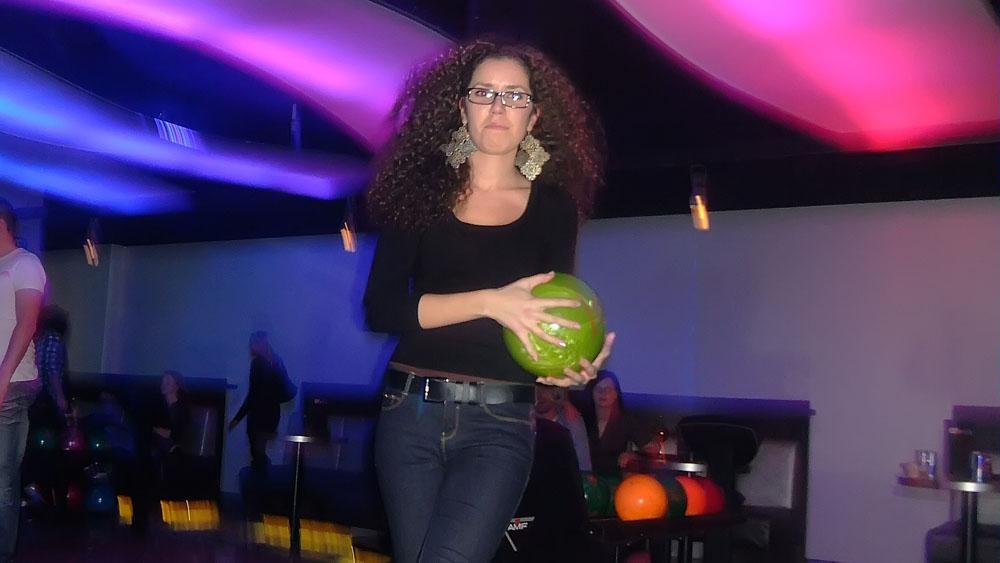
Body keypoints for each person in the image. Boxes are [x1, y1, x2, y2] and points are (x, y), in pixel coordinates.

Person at [363, 39, 615, 562]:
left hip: (498, 427)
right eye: (484, 93)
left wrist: (567, 366)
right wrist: (490, 301)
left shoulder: (554, 209)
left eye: (515, 95)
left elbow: (548, 317)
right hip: (408, 414)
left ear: (534, 117)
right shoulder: (418, 195)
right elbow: (381, 309)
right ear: (462, 109)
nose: (499, 106)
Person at [0, 198, 46, 563]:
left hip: (12, 385)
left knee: (2, 481)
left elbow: (27, 324)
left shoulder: (24, 263)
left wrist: (2, 379)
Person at [228, 331, 290, 470]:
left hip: (258, 417)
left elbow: (253, 396)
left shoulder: (257, 364)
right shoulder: (275, 361)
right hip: (272, 415)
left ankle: (262, 477)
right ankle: (264, 476)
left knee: (257, 454)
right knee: (260, 453)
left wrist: (236, 419)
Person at [584, 371, 656, 475]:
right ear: (591, 392)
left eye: (608, 389)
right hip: (583, 477)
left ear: (615, 394)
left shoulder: (626, 420)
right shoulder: (580, 417)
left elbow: (653, 448)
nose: (602, 393)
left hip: (614, 478)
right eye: (598, 389)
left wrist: (633, 455)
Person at [31, 304, 70, 429]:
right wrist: (60, 397)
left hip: (36, 393)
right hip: (47, 395)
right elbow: (51, 367)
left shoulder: (39, 338)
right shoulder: (53, 338)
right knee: (54, 431)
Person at [535, 385, 592, 471]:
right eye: (535, 389)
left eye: (545, 389)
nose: (539, 395)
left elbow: (583, 466)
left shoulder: (571, 422)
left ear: (556, 392)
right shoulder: (524, 423)